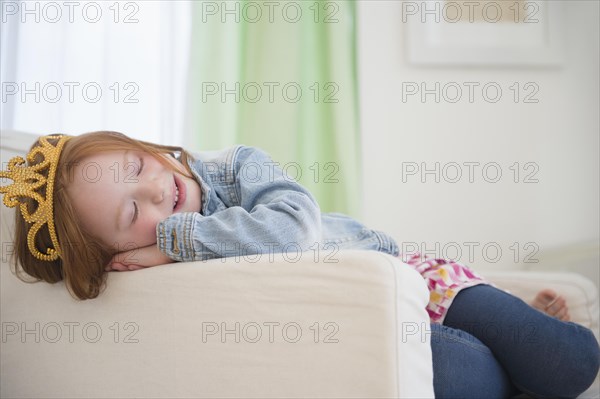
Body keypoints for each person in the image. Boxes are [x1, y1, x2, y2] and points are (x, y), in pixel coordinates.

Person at [1, 131, 599, 397]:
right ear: (120, 256)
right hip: (370, 332)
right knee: (465, 381)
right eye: (130, 213)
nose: (155, 192)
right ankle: (515, 359)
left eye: (136, 167)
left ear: (142, 146)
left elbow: (294, 227)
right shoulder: (155, 280)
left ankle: (527, 331)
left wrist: (175, 239)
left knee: (570, 365)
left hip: (417, 281)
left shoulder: (236, 168)